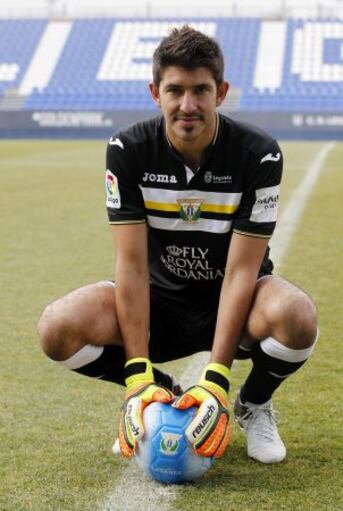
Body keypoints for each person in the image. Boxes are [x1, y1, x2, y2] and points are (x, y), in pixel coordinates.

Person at [38, 25, 318, 464]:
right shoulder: (127, 150)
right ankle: (161, 391)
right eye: (175, 90)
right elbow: (130, 267)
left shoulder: (259, 154)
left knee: (297, 317)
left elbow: (242, 271)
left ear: (221, 92)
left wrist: (216, 379)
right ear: (155, 92)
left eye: (200, 90)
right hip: (159, 307)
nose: (188, 105)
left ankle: (253, 403)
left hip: (236, 303)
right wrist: (137, 378)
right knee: (57, 328)